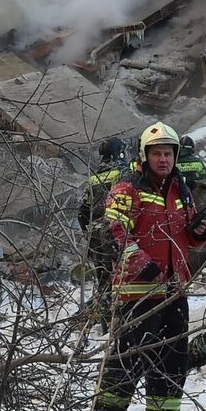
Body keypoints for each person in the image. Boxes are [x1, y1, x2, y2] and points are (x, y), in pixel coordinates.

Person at [92, 122, 206, 411]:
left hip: (173, 289)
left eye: (168, 154)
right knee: (130, 354)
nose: (163, 160)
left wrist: (198, 233)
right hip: (139, 290)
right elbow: (113, 233)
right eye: (157, 153)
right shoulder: (128, 188)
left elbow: (187, 237)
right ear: (145, 156)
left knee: (173, 353)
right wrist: (145, 267)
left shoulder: (180, 189)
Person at [79, 136, 128, 327]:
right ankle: (116, 322)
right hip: (114, 233)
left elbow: (83, 210)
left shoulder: (93, 177)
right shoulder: (123, 172)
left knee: (103, 280)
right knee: (120, 279)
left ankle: (103, 321)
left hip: (95, 235)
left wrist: (87, 235)